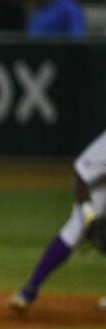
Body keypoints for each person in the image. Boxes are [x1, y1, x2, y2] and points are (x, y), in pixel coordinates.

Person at [10, 129, 106, 314]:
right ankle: (28, 290)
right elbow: (81, 176)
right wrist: (89, 214)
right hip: (98, 190)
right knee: (76, 228)